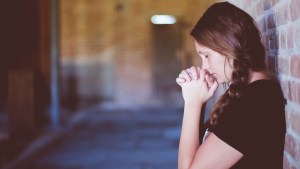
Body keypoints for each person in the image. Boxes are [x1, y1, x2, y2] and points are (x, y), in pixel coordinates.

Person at [176, 2, 286, 169]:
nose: (204, 66)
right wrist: (201, 99)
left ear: (229, 47)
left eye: (206, 55)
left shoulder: (256, 101)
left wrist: (192, 103)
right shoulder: (247, 95)